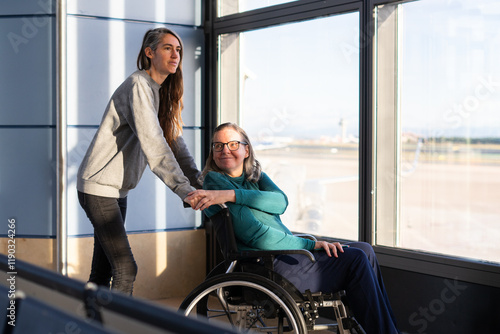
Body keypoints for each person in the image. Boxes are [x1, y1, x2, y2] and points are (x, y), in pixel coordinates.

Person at [186, 122, 400, 334]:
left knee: (365, 250)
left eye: (233, 144)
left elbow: (280, 202)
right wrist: (312, 244)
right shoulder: (215, 181)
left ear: (246, 149)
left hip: (281, 257)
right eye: (218, 145)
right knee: (356, 260)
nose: (225, 150)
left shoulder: (255, 176)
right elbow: (259, 237)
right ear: (212, 153)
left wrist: (233, 195)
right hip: (266, 265)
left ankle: (387, 329)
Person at [77, 28, 201, 295]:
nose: (175, 54)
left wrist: (200, 184)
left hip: (115, 190)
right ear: (149, 52)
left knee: (103, 270)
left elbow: (177, 146)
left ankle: (87, 322)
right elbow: (155, 145)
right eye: (167, 48)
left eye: (178, 49)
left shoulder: (160, 92)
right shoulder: (138, 86)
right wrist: (185, 190)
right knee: (125, 268)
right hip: (98, 189)